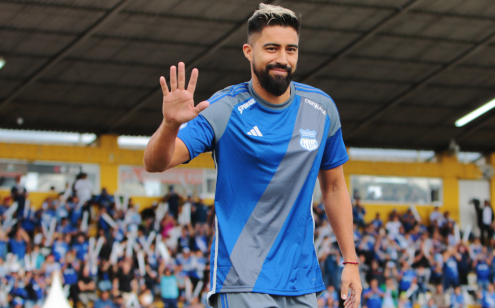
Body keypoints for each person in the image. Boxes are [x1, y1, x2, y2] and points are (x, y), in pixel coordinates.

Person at [143, 3, 361, 308]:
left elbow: (335, 187)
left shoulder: (322, 109)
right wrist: (169, 125)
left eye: (291, 50)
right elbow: (156, 162)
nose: (282, 59)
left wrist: (350, 261)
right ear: (248, 51)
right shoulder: (224, 107)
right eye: (271, 48)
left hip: (301, 281)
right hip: (242, 280)